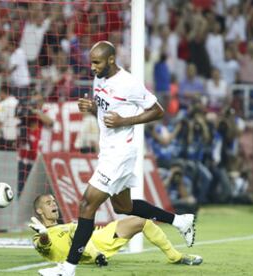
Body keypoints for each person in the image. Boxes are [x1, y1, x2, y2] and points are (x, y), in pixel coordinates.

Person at [38, 41, 196, 276]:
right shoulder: (99, 78)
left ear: (111, 60)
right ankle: (180, 222)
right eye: (91, 62)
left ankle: (68, 269)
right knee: (124, 206)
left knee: (87, 204)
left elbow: (158, 110)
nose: (92, 67)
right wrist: (92, 107)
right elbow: (105, 110)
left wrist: (125, 121)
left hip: (120, 152)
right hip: (109, 149)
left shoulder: (128, 83)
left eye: (97, 62)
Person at [30, 194, 202, 266]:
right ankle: (97, 255)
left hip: (100, 237)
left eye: (53, 201)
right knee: (77, 230)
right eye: (48, 203)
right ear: (39, 211)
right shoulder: (39, 235)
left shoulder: (65, 225)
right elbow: (44, 245)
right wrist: (44, 234)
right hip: (87, 253)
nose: (54, 204)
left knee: (143, 222)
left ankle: (175, 256)